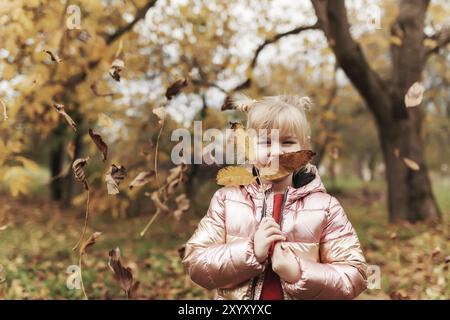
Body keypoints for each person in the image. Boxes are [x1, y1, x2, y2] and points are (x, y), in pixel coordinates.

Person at [182, 95, 367, 299]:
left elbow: (354, 277)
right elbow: (196, 264)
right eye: (266, 142)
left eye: (288, 142)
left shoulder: (326, 208)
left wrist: (298, 273)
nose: (277, 152)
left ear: (304, 146)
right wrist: (250, 252)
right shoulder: (226, 200)